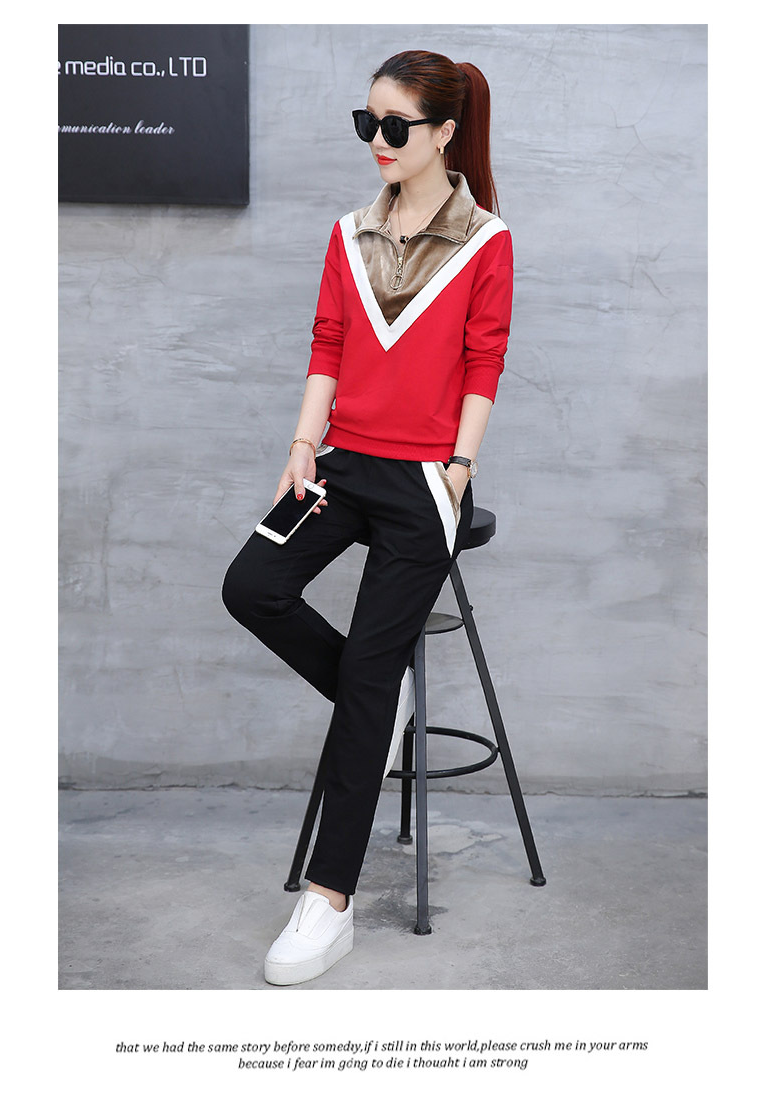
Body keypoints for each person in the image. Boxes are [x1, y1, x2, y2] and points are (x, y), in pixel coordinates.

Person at [222, 49, 513, 986]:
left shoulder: (486, 240)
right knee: (252, 585)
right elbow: (329, 343)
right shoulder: (348, 234)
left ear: (444, 133)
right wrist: (303, 444)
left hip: (426, 481)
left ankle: (329, 901)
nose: (377, 141)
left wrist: (460, 467)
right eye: (367, 124)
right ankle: (375, 703)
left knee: (370, 679)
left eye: (394, 126)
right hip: (340, 465)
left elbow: (484, 360)